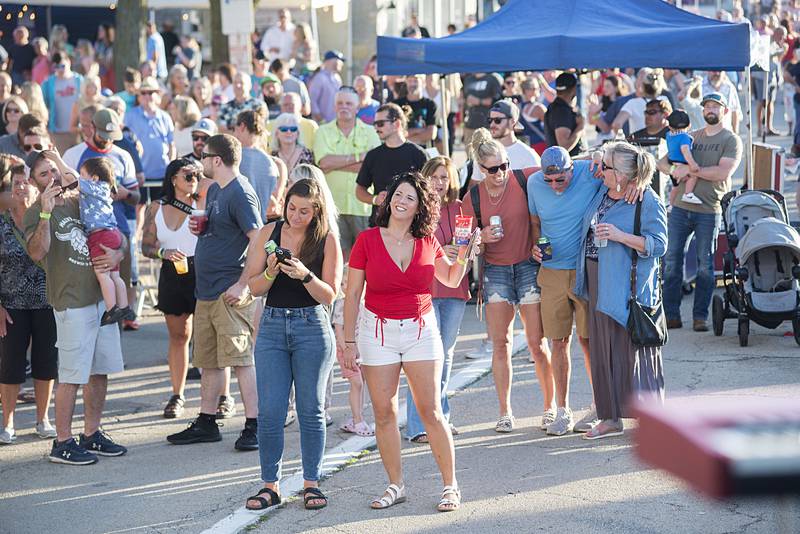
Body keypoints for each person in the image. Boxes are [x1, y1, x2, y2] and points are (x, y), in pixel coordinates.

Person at [342, 172, 477, 512]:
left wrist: (465, 254)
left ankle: (450, 486)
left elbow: (450, 277)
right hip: (377, 331)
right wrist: (348, 342)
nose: (401, 201)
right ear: (388, 200)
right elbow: (353, 293)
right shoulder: (367, 240)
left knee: (431, 411)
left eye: (410, 198)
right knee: (384, 413)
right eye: (398, 195)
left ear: (420, 208)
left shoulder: (427, 240)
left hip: (421, 330)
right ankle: (395, 485)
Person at [530, 146, 644, 435]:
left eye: (561, 179)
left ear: (572, 169)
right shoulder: (534, 183)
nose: (555, 185)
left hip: (585, 269)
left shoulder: (590, 172)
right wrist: (536, 245)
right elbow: (535, 222)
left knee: (589, 342)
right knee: (558, 342)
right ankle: (563, 409)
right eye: (549, 180)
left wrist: (637, 183)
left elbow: (625, 160)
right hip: (552, 272)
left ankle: (600, 407)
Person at [244, 179, 343, 512]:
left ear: (316, 211)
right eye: (291, 209)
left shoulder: (327, 239)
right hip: (272, 326)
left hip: (311, 327)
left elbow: (330, 294)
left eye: (304, 211)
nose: (296, 217)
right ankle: (269, 485)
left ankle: (311, 483)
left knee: (310, 411)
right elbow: (254, 287)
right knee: (270, 411)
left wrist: (304, 274)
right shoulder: (266, 233)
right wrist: (271, 273)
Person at [24, 150, 127, 465]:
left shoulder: (82, 199)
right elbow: (36, 251)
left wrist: (118, 255)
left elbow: (116, 233)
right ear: (34, 182)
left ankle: (91, 433)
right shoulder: (36, 211)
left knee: (99, 371)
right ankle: (63, 441)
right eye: (44, 174)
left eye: (55, 170)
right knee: (70, 375)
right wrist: (44, 212)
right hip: (71, 302)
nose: (53, 177)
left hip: (101, 299)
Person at [166, 134, 263, 451]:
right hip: (207, 290)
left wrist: (243, 283)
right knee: (209, 360)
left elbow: (258, 239)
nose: (200, 161)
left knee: (241, 359)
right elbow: (226, 230)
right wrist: (204, 226)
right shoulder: (218, 189)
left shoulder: (240, 193)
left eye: (204, 156)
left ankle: (255, 424)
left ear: (217, 160)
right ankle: (207, 420)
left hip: (228, 290)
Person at [460, 129, 553, 432]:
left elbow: (558, 168)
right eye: (492, 169)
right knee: (500, 345)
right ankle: (505, 412)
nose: (500, 173)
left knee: (537, 344)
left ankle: (550, 407)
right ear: (480, 169)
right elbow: (464, 246)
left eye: (504, 165)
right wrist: (480, 237)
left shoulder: (525, 178)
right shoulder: (471, 198)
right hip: (496, 271)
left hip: (527, 266)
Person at [574, 141, 667, 439]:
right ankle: (610, 417)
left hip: (628, 287)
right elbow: (580, 158)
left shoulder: (646, 200)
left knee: (631, 353)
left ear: (624, 175)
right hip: (597, 275)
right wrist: (599, 154)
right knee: (602, 349)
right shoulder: (603, 188)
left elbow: (659, 245)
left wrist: (620, 236)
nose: (600, 169)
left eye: (607, 166)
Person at [657, 92, 742, 332]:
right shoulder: (691, 135)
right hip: (681, 209)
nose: (711, 110)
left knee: (705, 266)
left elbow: (722, 173)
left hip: (709, 209)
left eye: (716, 106)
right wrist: (677, 168)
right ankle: (671, 315)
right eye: (707, 106)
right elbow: (662, 163)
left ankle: (700, 317)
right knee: (672, 263)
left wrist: (691, 171)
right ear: (702, 111)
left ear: (724, 110)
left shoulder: (731, 140)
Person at [404, 157, 470, 442]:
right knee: (422, 357)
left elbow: (467, 247)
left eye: (445, 177)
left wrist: (468, 250)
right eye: (435, 176)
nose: (440, 182)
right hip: (424, 290)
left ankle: (441, 416)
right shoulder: (415, 210)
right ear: (425, 177)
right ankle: (418, 424)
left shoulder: (460, 209)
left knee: (445, 355)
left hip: (455, 289)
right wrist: (441, 250)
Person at [62, 107, 141, 326]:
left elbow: (137, 196)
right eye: (103, 135)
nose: (107, 141)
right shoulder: (74, 154)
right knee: (94, 290)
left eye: (111, 137)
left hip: (117, 230)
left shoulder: (123, 155)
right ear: (91, 128)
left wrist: (126, 194)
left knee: (116, 280)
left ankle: (117, 346)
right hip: (84, 234)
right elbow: (67, 190)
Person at [141, 158, 207, 418]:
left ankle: (217, 398)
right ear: (173, 179)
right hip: (172, 273)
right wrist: (162, 252)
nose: (193, 179)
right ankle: (177, 395)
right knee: (179, 336)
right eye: (188, 175)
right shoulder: (155, 207)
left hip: (202, 272)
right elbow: (145, 247)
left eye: (197, 175)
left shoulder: (202, 204)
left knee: (206, 339)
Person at [0, 162, 58, 444]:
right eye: (16, 183)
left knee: (45, 363)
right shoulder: (1, 221)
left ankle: (42, 419)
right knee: (10, 365)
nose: (21, 187)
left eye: (26, 182)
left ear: (36, 187)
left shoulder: (46, 216)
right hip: (10, 303)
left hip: (47, 301)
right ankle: (8, 423)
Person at [55, 155, 134, 325]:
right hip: (112, 233)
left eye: (83, 174)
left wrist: (57, 159)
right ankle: (125, 306)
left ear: (94, 177)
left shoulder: (92, 186)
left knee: (102, 274)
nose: (81, 178)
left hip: (99, 235)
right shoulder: (105, 188)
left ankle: (112, 309)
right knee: (115, 275)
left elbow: (71, 177)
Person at [313, 87, 380, 252]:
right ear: (334, 106)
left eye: (349, 103)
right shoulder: (322, 131)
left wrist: (336, 164)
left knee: (364, 257)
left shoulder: (371, 132)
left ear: (357, 108)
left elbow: (372, 167)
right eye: (340, 103)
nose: (344, 107)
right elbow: (324, 163)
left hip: (362, 206)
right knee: (337, 257)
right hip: (332, 205)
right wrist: (359, 157)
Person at [355, 103, 428, 224]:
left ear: (397, 124)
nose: (376, 128)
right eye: (375, 124)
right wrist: (374, 199)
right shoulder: (373, 155)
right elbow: (359, 191)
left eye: (380, 123)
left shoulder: (418, 154)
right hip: (379, 224)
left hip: (410, 226)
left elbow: (428, 191)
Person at [125, 76, 176, 206]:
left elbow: (171, 146)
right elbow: (125, 143)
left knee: (159, 210)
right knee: (140, 210)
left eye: (151, 92)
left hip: (162, 174)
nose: (147, 96)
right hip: (140, 174)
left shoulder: (165, 117)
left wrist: (171, 170)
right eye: (143, 92)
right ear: (139, 96)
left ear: (157, 94)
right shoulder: (130, 116)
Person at [234, 109, 287, 221]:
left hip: (241, 227)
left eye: (235, 129)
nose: (234, 134)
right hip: (266, 227)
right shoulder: (278, 164)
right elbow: (274, 202)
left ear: (242, 126)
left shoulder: (232, 161)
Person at [41, 53, 84, 154]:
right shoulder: (47, 83)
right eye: (56, 67)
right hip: (57, 132)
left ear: (69, 62)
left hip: (78, 131)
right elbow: (44, 105)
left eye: (62, 66)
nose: (59, 70)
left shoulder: (79, 80)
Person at [664, 109, 702, 205]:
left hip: (672, 162)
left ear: (669, 126)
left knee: (675, 186)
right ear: (689, 125)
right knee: (693, 176)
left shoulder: (668, 135)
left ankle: (671, 204)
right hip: (681, 162)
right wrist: (692, 164)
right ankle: (688, 194)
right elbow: (685, 151)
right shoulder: (685, 137)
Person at [544, 72, 585, 156]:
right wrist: (580, 126)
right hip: (567, 165)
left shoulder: (557, 107)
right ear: (574, 89)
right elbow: (564, 146)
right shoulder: (561, 111)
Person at [393, 75, 437, 147]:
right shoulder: (397, 105)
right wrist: (419, 130)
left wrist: (405, 138)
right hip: (402, 150)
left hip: (425, 150)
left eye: (416, 81)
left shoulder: (430, 104)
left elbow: (431, 134)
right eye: (410, 81)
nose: (412, 84)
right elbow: (395, 132)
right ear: (406, 82)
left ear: (423, 83)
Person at [461, 72, 504, 146]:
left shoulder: (492, 79)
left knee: (487, 152)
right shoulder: (468, 79)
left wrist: (479, 101)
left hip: (488, 125)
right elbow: (464, 100)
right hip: (470, 124)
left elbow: (498, 101)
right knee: (471, 154)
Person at [309, 51, 344, 123]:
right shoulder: (319, 78)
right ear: (332, 61)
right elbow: (312, 100)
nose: (342, 63)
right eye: (340, 60)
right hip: (322, 124)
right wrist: (321, 120)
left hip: (335, 123)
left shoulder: (337, 78)